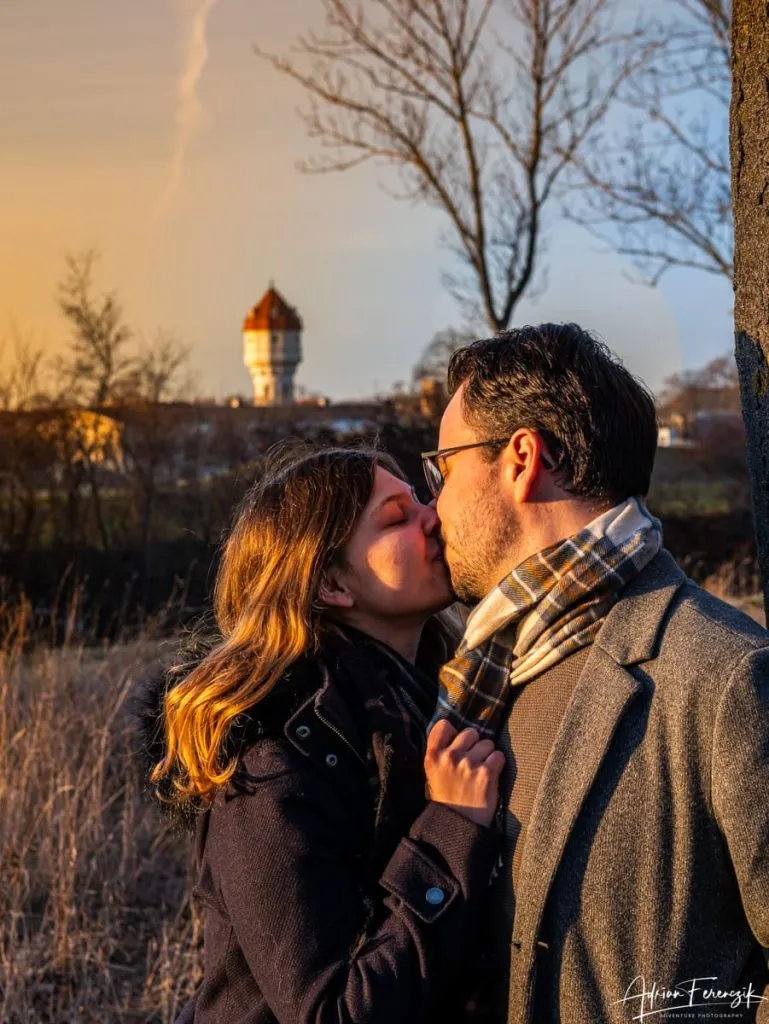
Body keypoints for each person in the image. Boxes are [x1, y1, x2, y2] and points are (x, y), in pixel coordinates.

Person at [424, 323, 769, 1024]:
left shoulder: (722, 674)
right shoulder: (477, 677)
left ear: (521, 458)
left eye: (443, 468)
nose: (434, 508)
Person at [138, 443, 504, 1024]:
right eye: (395, 518)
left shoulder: (443, 698)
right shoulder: (271, 757)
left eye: (419, 497)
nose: (432, 515)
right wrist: (452, 828)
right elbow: (332, 1010)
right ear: (332, 581)